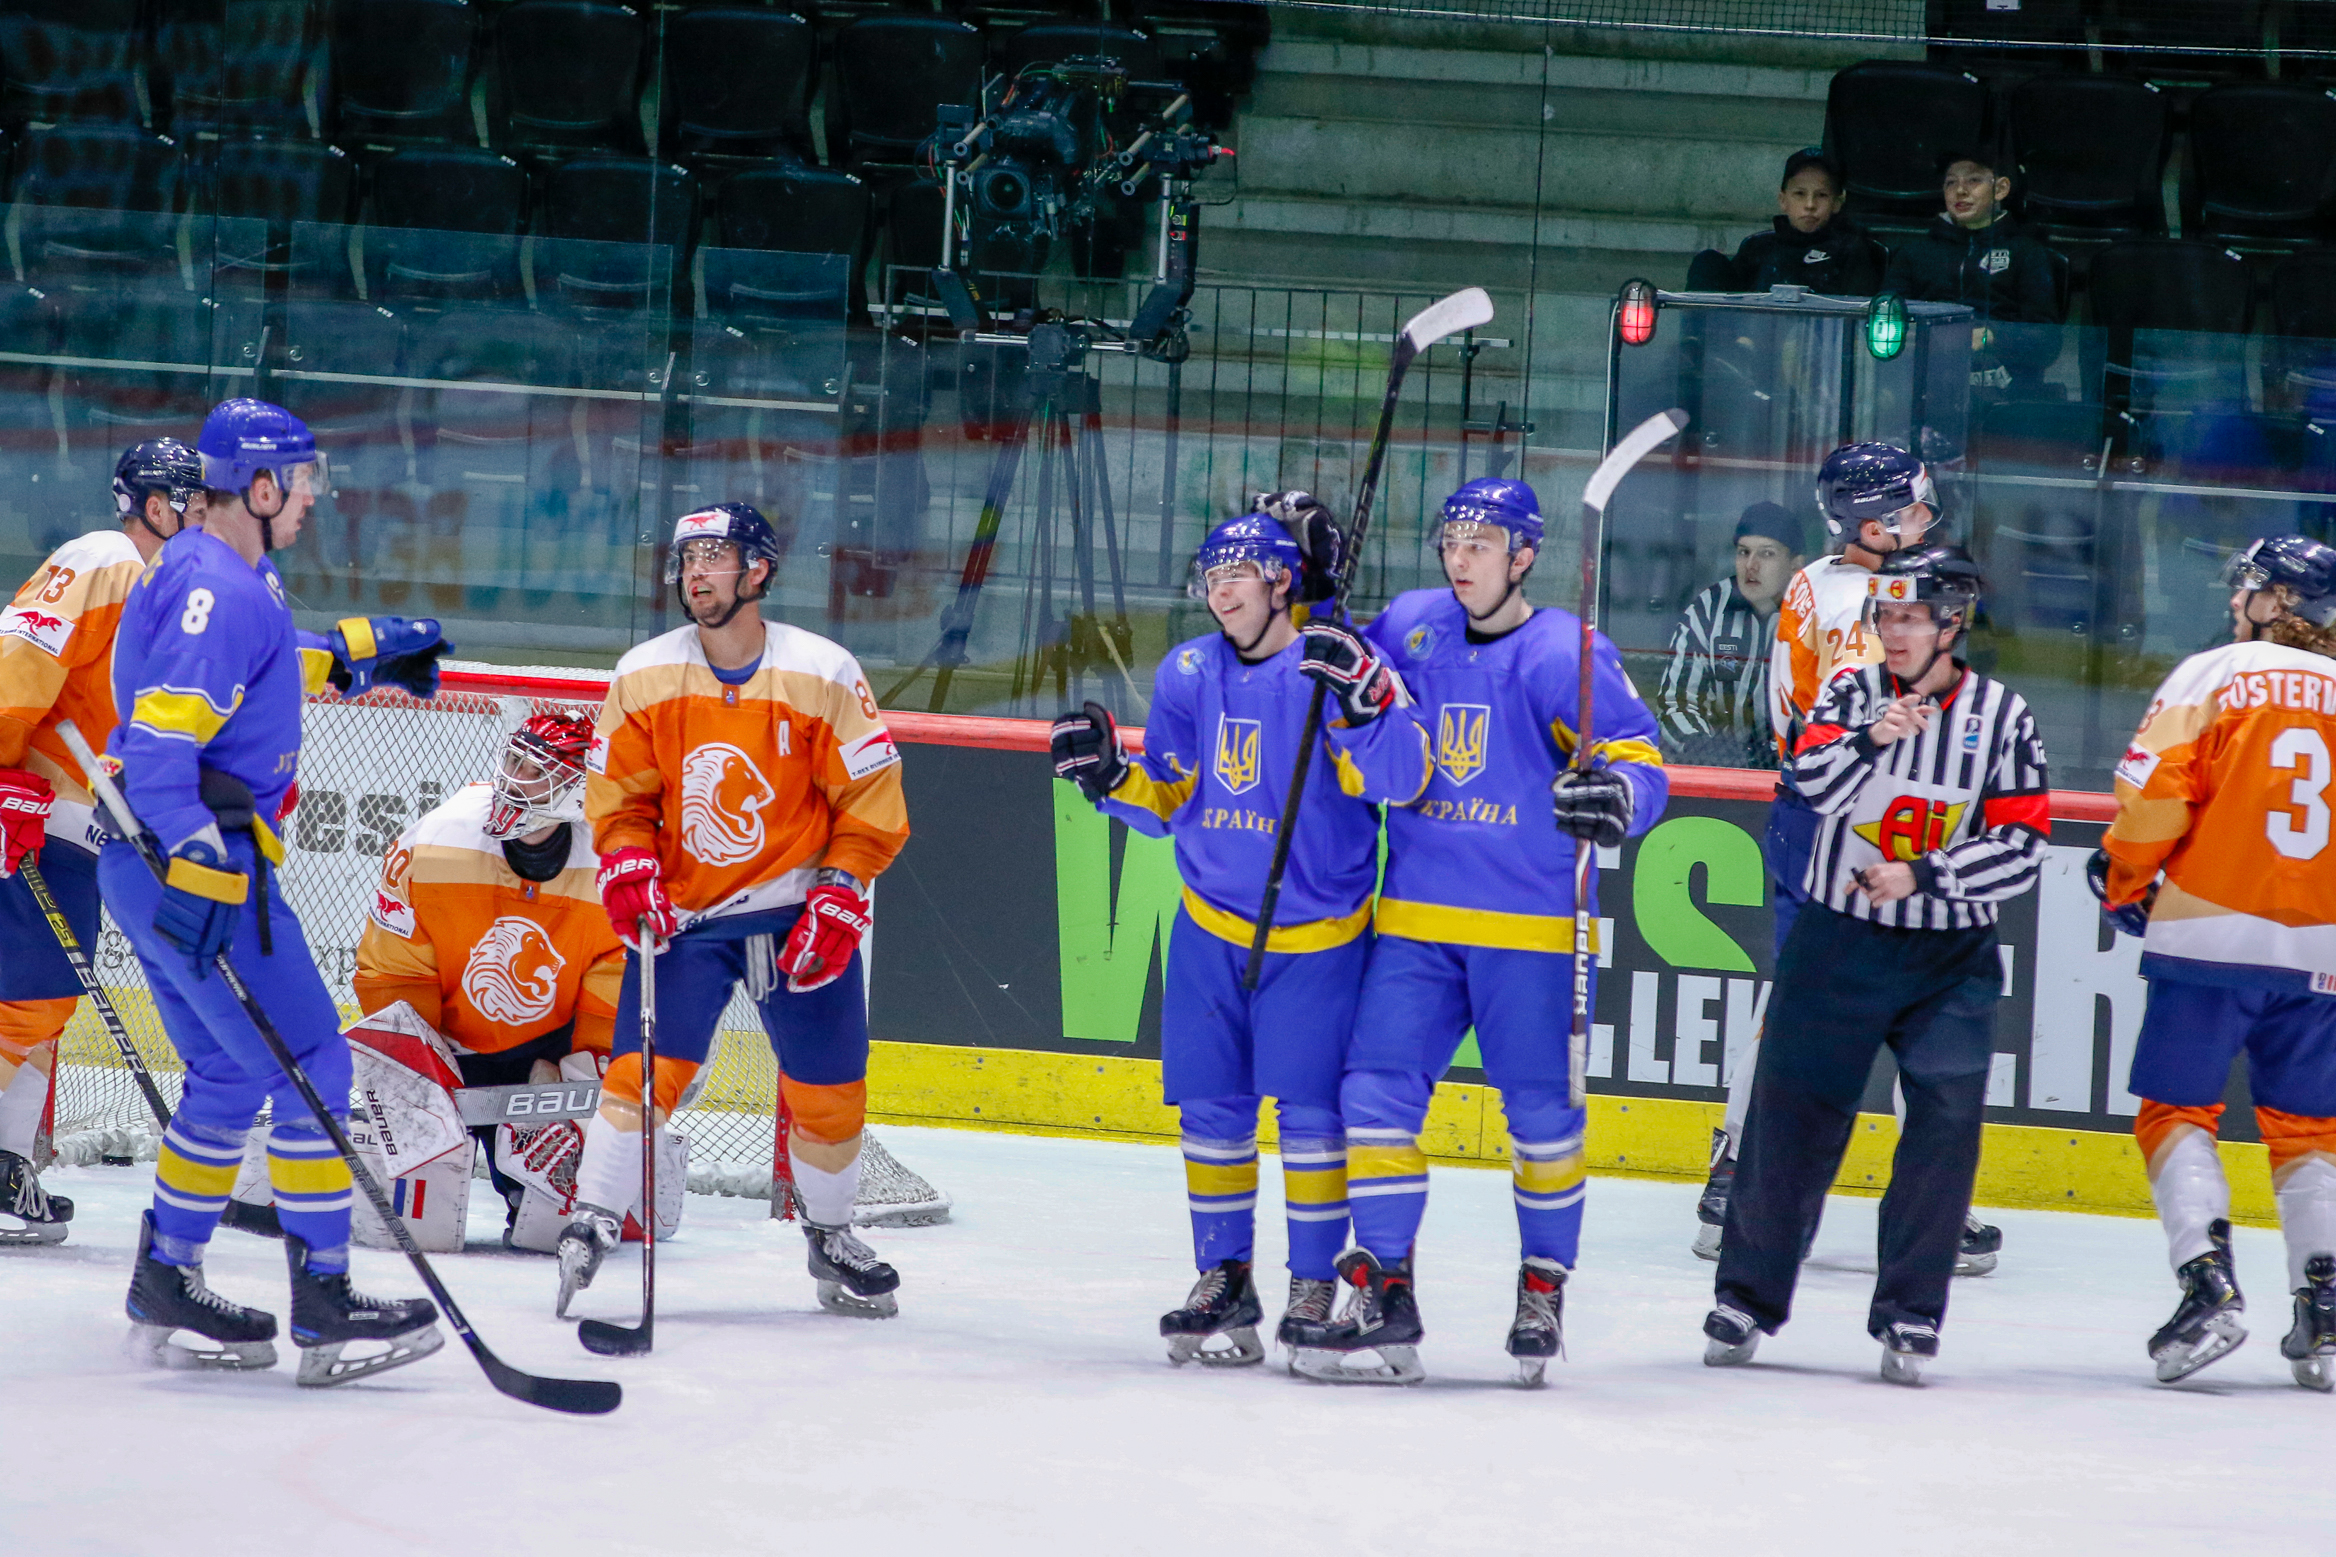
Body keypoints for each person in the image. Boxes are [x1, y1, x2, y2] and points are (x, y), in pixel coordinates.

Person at [1281, 477, 1669, 1386]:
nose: (1461, 560)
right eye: (1452, 541)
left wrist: (1618, 795)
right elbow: (1332, 665)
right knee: (1370, 1099)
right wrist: (1316, 580)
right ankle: (1385, 1286)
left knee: (1540, 1119)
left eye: (1482, 544)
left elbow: (1640, 755)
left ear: (1523, 556)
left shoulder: (1561, 653)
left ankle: (1542, 1284)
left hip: (1529, 928)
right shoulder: (1415, 621)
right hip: (1414, 923)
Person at [103, 398, 453, 1384]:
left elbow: (242, 675)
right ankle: (326, 1299)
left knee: (226, 1073)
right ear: (259, 487)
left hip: (144, 864)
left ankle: (165, 1277)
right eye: (300, 481)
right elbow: (166, 745)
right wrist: (203, 865)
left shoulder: (214, 568)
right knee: (310, 1066)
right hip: (202, 861)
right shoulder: (229, 590)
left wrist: (352, 645)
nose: (309, 498)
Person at [1050, 498, 1432, 1367]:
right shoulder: (1188, 671)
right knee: (1213, 1113)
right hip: (1210, 930)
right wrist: (1110, 781)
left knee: (1311, 1119)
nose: (1221, 593)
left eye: (1238, 576)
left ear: (1282, 581)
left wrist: (1369, 704)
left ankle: (1311, 1281)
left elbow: (1403, 779)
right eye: (1211, 577)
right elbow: (1172, 795)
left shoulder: (1334, 661)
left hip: (1316, 937)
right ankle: (1225, 1274)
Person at [1703, 543, 2048, 1385]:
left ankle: (1910, 1311)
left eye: (1909, 617)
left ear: (1952, 624)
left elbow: (2024, 844)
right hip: (1838, 942)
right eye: (1883, 616)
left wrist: (1926, 874)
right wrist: (1867, 738)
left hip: (1949, 956)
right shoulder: (1851, 691)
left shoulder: (2004, 717)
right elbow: (1806, 782)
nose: (1892, 632)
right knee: (1791, 1116)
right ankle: (1747, 1295)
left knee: (1944, 1123)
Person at [561, 502, 911, 1320]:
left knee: (830, 1086)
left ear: (758, 570)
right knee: (643, 1073)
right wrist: (628, 862)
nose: (697, 573)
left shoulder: (822, 670)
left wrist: (839, 888)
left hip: (797, 912)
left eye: (715, 557)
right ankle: (594, 1214)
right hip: (689, 918)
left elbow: (870, 798)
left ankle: (829, 1233)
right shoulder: (645, 671)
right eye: (688, 559)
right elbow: (621, 797)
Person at [1695, 444, 2006, 1280]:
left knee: (1793, 994)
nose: (1924, 516)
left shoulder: (1809, 583)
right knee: (1924, 996)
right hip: (1888, 817)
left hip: (1807, 806)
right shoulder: (1904, 599)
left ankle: (1733, 1171)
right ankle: (1941, 1197)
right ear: (1872, 522)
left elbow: (1789, 709)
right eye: (1911, 507)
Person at [2090, 535, 2336, 1389]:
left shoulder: (2217, 673)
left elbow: (2157, 794)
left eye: (2251, 590)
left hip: (2209, 931)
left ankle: (2208, 1285)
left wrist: (2124, 878)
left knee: (2176, 1111)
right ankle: (2327, 1303)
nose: (2239, 601)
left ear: (2278, 602)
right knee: (2307, 1128)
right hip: (2325, 946)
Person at [0, 441, 206, 1245]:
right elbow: (18, 661)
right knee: (27, 992)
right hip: (34, 804)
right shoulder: (107, 559)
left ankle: (10, 1157)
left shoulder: (178, 589)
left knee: (43, 997)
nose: (206, 515)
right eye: (191, 500)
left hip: (87, 820)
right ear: (154, 506)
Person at [353, 711, 624, 1245]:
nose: (515, 778)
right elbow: (392, 969)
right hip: (446, 1042)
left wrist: (576, 1084)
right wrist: (421, 1070)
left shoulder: (612, 865)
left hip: (545, 1052)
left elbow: (612, 995)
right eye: (514, 761)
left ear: (575, 794)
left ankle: (565, 1189)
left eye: (535, 770)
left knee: (550, 1228)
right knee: (415, 1226)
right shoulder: (434, 842)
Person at [1882, 149, 2064, 397]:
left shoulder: (2027, 252)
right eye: (1951, 182)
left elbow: (2047, 343)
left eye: (1973, 180)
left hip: (2007, 399)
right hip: (1927, 390)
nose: (1960, 191)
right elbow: (1885, 320)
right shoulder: (1913, 254)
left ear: (2000, 189)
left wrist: (1991, 336)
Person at [1657, 501, 1807, 769]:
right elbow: (1676, 702)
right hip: (1719, 770)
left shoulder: (1816, 614)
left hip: (1797, 774)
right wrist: (1701, 748)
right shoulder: (1708, 609)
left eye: (1767, 554)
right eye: (1743, 552)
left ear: (1795, 565)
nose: (1751, 565)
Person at [1689, 148, 1888, 297]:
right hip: (1752, 343)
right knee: (1707, 262)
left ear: (1837, 203)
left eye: (1821, 195)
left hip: (1820, 346)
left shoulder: (1853, 249)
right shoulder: (1757, 247)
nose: (1810, 205)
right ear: (1783, 200)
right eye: (1800, 194)